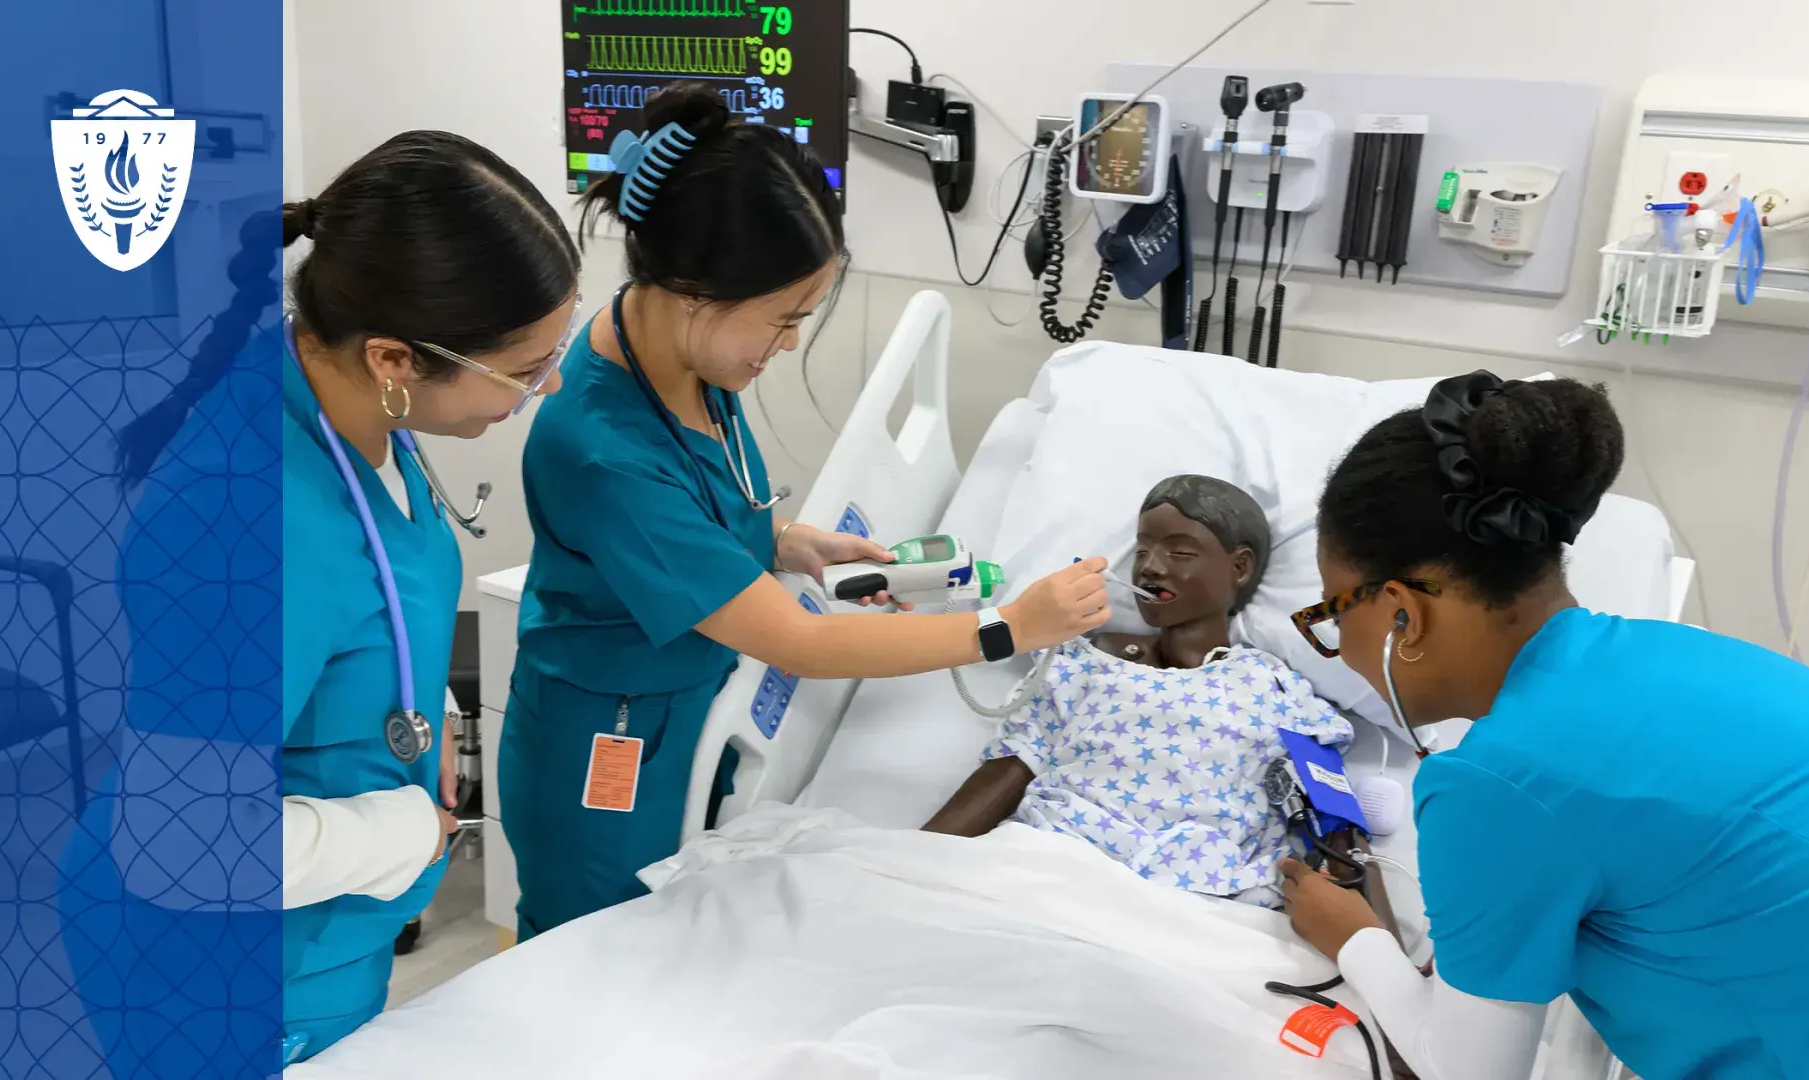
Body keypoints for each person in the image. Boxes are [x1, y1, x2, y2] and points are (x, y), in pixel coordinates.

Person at [505, 82, 1110, 941]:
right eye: (782, 319)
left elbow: (692, 511)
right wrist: (1007, 627)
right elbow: (804, 642)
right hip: (611, 753)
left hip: (689, 706)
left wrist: (787, 543)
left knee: (667, 951)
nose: (788, 344)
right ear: (691, 290)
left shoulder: (680, 357)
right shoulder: (604, 446)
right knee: (588, 962)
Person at [60, 128, 588, 1073]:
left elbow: (373, 598)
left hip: (324, 932)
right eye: (525, 371)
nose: (545, 391)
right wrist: (404, 829)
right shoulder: (246, 518)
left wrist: (430, 729)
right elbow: (178, 843)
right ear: (395, 356)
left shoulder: (344, 398)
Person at [1279, 371, 1809, 1079]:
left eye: (1331, 612)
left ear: (1400, 615)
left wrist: (1356, 938)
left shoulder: (1494, 781)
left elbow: (1469, 1073)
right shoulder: (1682, 655)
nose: (1338, 644)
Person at [923, 475, 1372, 910]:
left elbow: (1334, 819)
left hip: (1199, 904)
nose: (1150, 566)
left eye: (1178, 551)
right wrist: (905, 868)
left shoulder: (1272, 686)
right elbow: (1009, 770)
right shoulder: (1082, 661)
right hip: (1045, 876)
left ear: (1240, 567)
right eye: (1142, 550)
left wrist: (1376, 940)